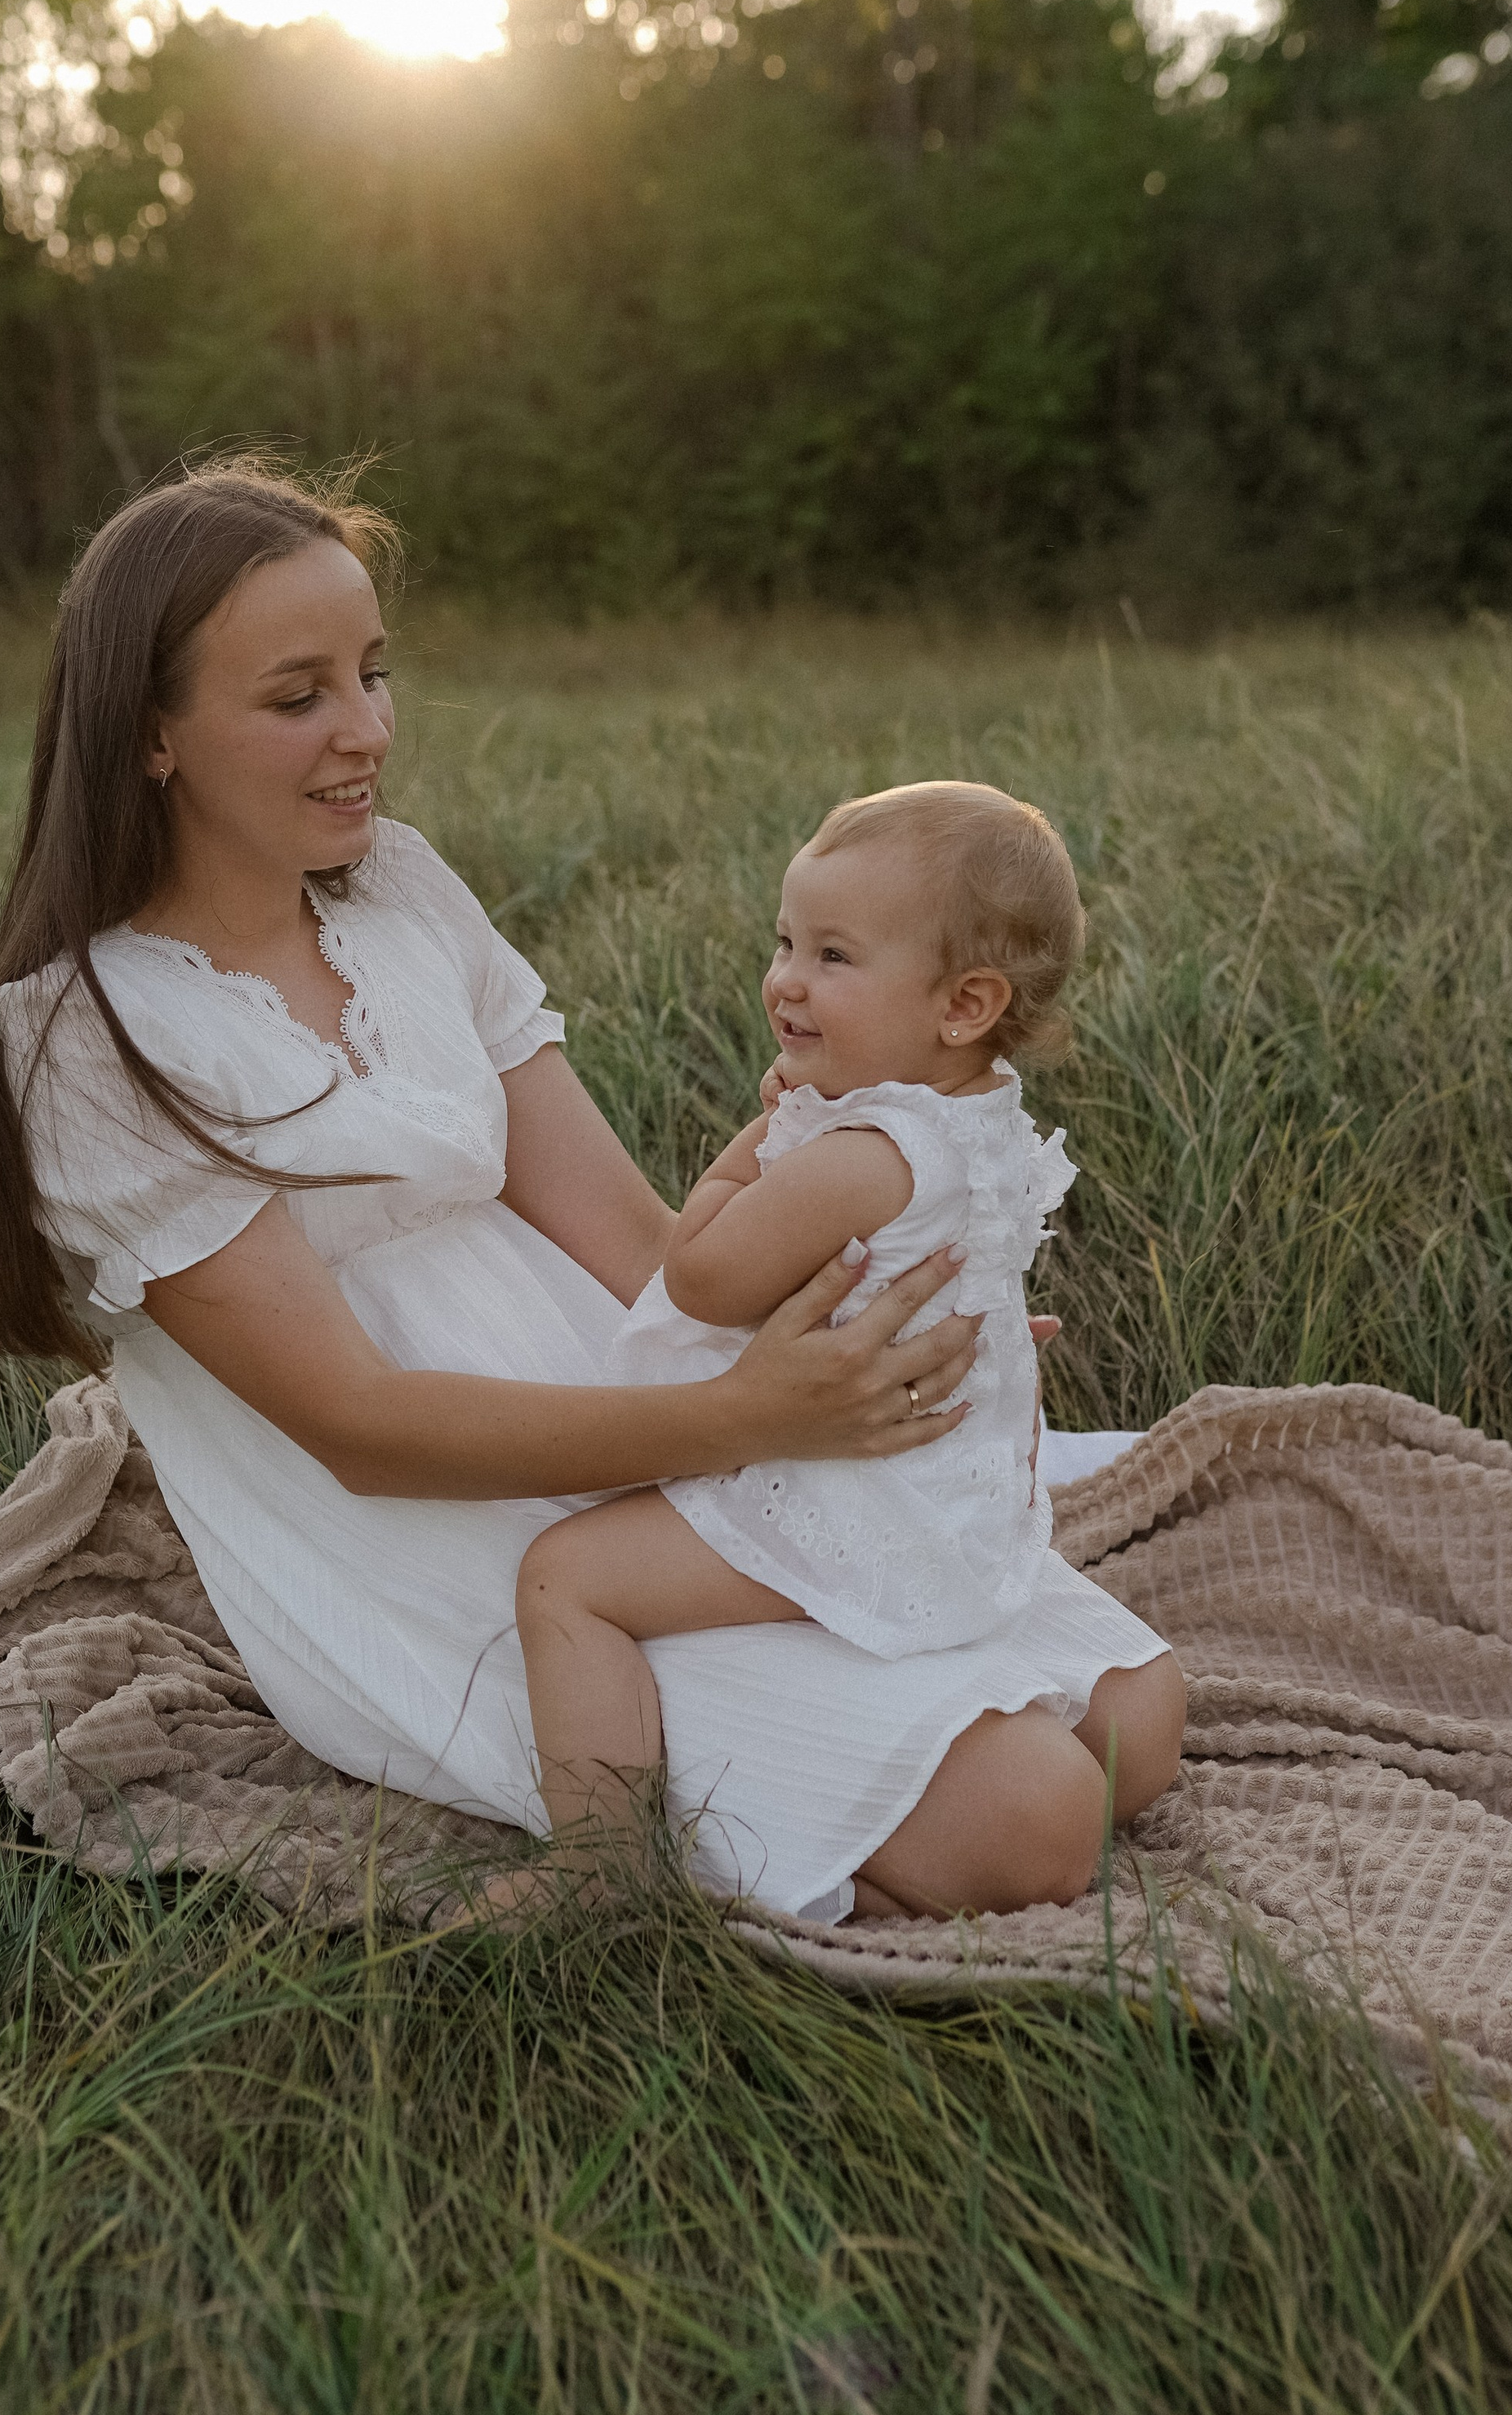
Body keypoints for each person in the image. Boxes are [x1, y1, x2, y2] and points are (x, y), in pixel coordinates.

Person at [0, 454, 1179, 1928]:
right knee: (1041, 1822)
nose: (368, 733)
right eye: (299, 698)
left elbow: (632, 1244)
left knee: (1136, 1718)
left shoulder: (399, 892)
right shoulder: (92, 1041)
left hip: (638, 1411)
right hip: (423, 1521)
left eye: (372, 674)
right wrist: (750, 1417)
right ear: (151, 735)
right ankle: (623, 1848)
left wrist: (878, 1339)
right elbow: (356, 1429)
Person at [500, 782, 1182, 1919]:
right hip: (953, 1503)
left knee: (563, 1576)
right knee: (1124, 1718)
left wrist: (761, 1138)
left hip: (841, 1496)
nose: (786, 982)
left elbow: (703, 1273)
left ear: (963, 1004)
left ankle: (598, 1862)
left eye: (832, 955)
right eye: (784, 942)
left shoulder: (864, 1150)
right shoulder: (985, 1117)